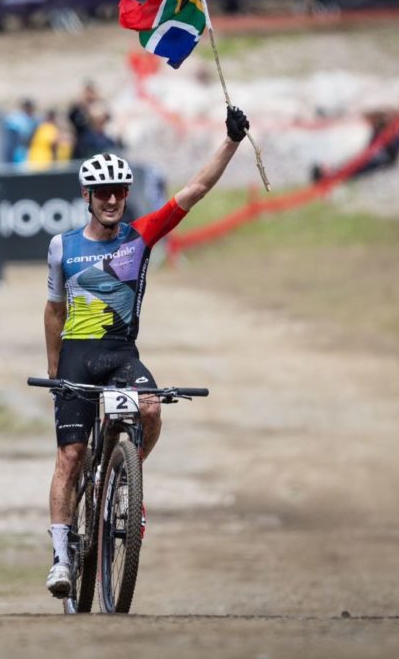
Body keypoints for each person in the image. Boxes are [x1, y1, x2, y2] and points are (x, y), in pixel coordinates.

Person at [41, 105, 250, 597]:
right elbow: (53, 312)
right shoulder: (62, 247)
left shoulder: (142, 236)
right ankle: (60, 555)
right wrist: (53, 370)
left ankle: (124, 480)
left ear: (127, 195)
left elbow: (194, 191)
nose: (112, 200)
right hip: (77, 356)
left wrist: (232, 141)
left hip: (120, 354)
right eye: (102, 193)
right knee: (70, 456)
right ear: (87, 197)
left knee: (152, 408)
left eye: (119, 191)